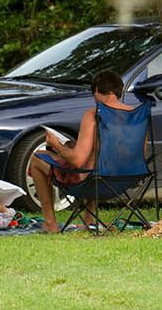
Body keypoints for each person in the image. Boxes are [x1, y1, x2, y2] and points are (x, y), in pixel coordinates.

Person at [27, 70, 129, 234]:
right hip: (126, 179)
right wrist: (72, 145)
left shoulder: (93, 115)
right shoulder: (135, 114)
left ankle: (50, 223)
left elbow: (77, 161)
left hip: (91, 183)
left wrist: (56, 145)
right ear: (118, 90)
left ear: (96, 90)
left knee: (38, 158)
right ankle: (89, 220)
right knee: (96, 160)